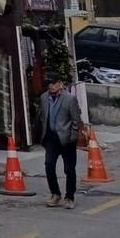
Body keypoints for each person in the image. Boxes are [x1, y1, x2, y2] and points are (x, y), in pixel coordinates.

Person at [40, 72, 82, 209]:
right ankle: (55, 193)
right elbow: (43, 116)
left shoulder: (69, 99)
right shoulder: (44, 98)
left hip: (67, 138)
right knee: (49, 165)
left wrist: (73, 136)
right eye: (49, 84)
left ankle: (69, 197)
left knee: (69, 169)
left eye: (54, 83)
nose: (51, 86)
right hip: (51, 137)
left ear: (60, 84)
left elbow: (76, 120)